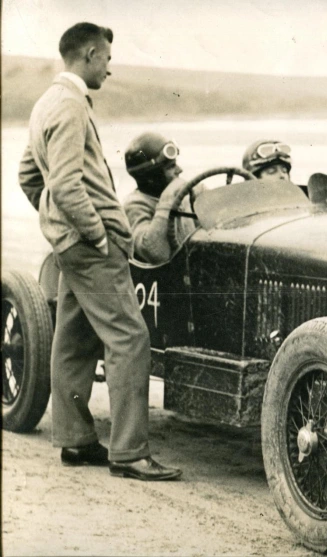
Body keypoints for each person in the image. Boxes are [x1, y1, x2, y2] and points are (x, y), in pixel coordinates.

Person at [17, 22, 181, 480]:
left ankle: (75, 441)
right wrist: (96, 234)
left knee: (73, 339)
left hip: (70, 247)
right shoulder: (70, 106)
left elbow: (31, 176)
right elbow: (66, 183)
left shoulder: (46, 103)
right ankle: (130, 453)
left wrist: (56, 226)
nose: (110, 69)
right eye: (106, 59)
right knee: (130, 339)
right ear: (89, 54)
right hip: (91, 246)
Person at [123, 132, 194, 263]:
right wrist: (168, 198)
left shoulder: (184, 198)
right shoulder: (134, 206)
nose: (180, 170)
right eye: (171, 167)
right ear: (152, 177)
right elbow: (155, 252)